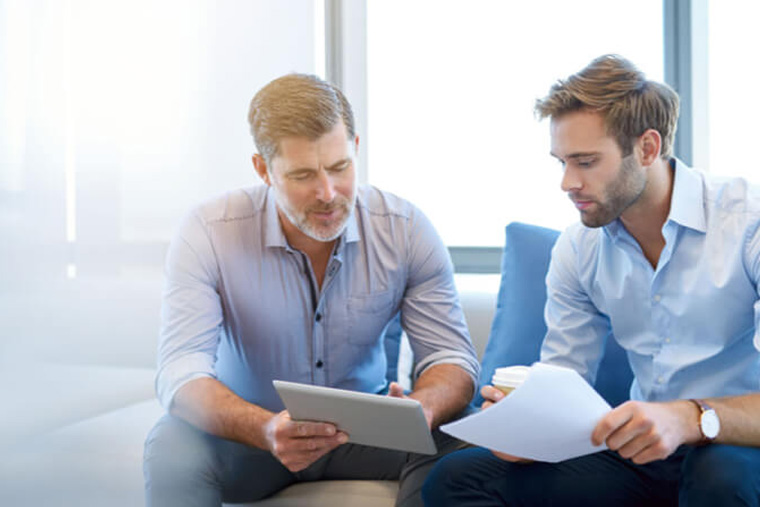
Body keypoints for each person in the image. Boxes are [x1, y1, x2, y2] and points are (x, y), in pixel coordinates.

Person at [422, 55, 760, 506]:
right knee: (455, 478)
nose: (567, 182)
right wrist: (527, 428)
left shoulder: (746, 226)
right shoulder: (579, 248)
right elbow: (564, 379)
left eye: (585, 162)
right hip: (642, 453)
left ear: (647, 148)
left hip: (734, 443)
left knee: (721, 478)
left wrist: (691, 418)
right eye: (561, 162)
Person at [143, 73, 479, 507]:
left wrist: (423, 409)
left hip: (369, 434)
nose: (327, 193)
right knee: (171, 446)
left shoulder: (406, 229)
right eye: (302, 175)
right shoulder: (209, 231)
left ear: (355, 147)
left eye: (340, 168)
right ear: (263, 169)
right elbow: (181, 372)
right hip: (253, 437)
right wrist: (264, 428)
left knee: (462, 440)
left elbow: (452, 359)